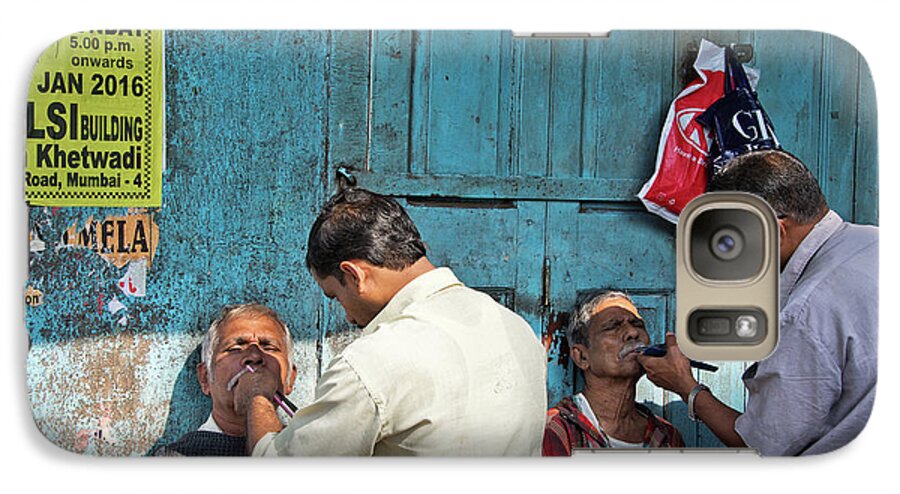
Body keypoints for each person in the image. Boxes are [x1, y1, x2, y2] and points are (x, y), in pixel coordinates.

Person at [232, 188, 547, 456]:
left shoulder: (372, 363)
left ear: (354, 276)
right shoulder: (517, 329)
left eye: (335, 296)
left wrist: (258, 398)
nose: (347, 316)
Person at [639, 149, 878, 456]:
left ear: (775, 232)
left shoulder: (805, 313)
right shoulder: (875, 242)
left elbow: (762, 446)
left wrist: (688, 388)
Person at [543, 291, 684, 455]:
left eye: (637, 324)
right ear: (582, 357)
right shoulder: (555, 430)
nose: (632, 333)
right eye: (613, 326)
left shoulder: (667, 437)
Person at [151, 303, 297, 456]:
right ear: (205, 378)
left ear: (290, 379)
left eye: (269, 347)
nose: (254, 356)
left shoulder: (309, 452)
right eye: (235, 349)